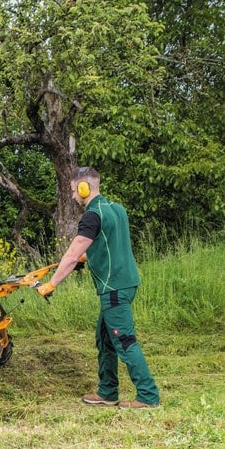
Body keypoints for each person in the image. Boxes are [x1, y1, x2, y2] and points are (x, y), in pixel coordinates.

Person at [36, 167, 160, 409]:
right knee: (104, 339)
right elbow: (109, 242)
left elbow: (72, 254)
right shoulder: (117, 209)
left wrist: (51, 284)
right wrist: (89, 258)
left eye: (73, 191)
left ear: (84, 188)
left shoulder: (92, 215)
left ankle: (148, 396)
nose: (72, 197)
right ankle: (108, 391)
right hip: (126, 282)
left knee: (124, 341)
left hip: (113, 288)